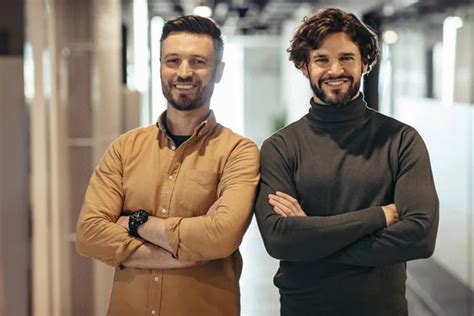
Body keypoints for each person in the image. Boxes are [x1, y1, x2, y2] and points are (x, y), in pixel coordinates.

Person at [255, 7, 439, 316]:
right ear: (304, 66)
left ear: (365, 63)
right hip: (305, 309)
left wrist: (313, 242)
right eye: (322, 59)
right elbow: (280, 240)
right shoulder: (280, 147)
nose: (334, 69)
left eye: (346, 58)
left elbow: (420, 236)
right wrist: (379, 216)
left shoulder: (401, 140)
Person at [76, 15, 259, 316]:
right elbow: (89, 234)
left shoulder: (239, 152)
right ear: (159, 66)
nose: (184, 72)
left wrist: (135, 223)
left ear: (219, 71)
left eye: (198, 61)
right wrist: (186, 252)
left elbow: (220, 236)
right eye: (173, 61)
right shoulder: (124, 148)